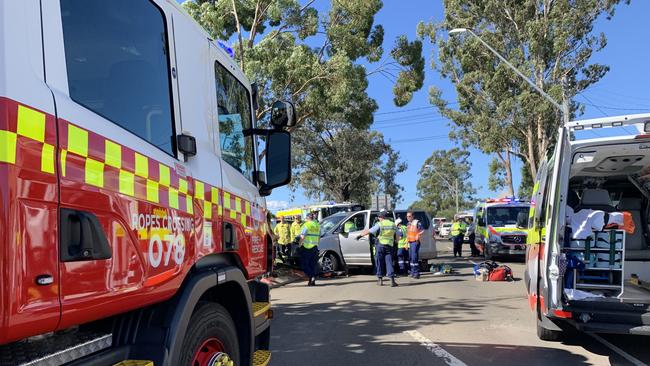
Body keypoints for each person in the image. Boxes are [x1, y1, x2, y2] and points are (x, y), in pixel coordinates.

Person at [357, 211, 398, 287]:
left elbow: (369, 231)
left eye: (379, 217)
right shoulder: (392, 224)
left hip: (381, 245)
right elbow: (398, 234)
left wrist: (360, 235)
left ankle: (380, 280)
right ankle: (392, 280)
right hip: (389, 245)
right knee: (389, 262)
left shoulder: (380, 224)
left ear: (382, 217)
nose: (378, 218)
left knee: (379, 262)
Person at [299, 213, 320, 286]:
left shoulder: (306, 225)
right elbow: (319, 236)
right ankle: (312, 281)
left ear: (307, 218)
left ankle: (311, 276)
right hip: (315, 247)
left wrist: (299, 245)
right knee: (312, 265)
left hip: (306, 247)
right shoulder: (317, 225)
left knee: (304, 265)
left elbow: (302, 236)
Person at [406, 211, 425, 279]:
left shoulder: (417, 222)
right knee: (411, 258)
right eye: (407, 216)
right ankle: (412, 272)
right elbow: (407, 234)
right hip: (410, 242)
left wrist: (418, 235)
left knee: (414, 257)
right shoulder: (408, 224)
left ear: (413, 216)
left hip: (415, 242)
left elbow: (422, 230)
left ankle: (416, 273)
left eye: (409, 216)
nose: (408, 217)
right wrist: (406, 243)